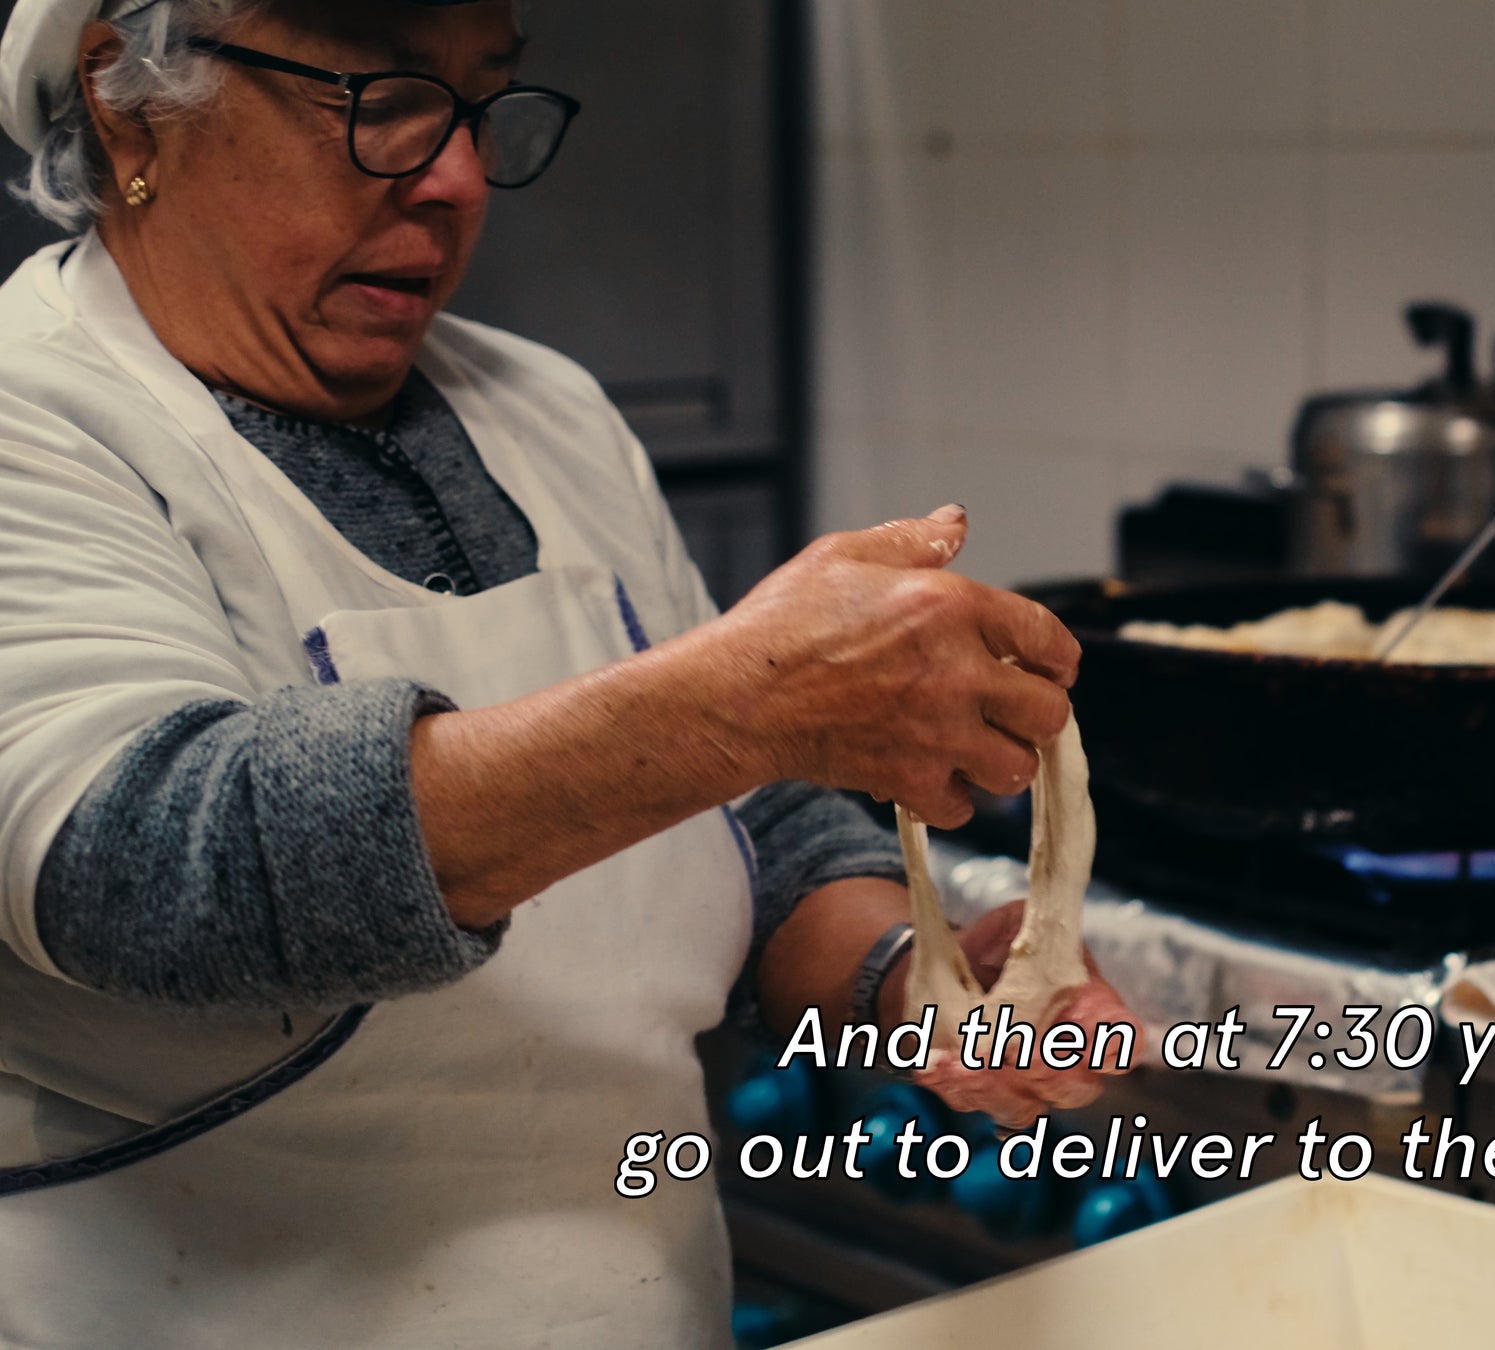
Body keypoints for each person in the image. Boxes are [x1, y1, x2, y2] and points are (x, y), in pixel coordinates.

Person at [0, 1, 1132, 1345]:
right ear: (130, 103)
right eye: (379, 98)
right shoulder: (43, 417)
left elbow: (752, 824)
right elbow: (153, 860)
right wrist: (742, 701)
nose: (458, 176)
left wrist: (909, 978)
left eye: (477, 104)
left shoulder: (552, 413)